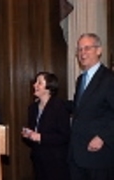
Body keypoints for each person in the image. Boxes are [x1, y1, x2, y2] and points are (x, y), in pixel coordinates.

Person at [69, 33, 114, 180]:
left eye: (87, 48)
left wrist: (102, 137)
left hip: (98, 155)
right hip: (78, 153)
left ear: (99, 51)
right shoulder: (81, 79)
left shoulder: (109, 79)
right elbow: (80, 109)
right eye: (80, 49)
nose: (82, 53)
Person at [22, 72, 71, 180]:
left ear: (49, 87)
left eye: (39, 83)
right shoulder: (32, 108)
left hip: (56, 161)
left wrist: (40, 137)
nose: (35, 85)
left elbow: (64, 136)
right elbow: (33, 133)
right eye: (35, 82)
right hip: (38, 159)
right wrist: (28, 135)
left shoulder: (59, 106)